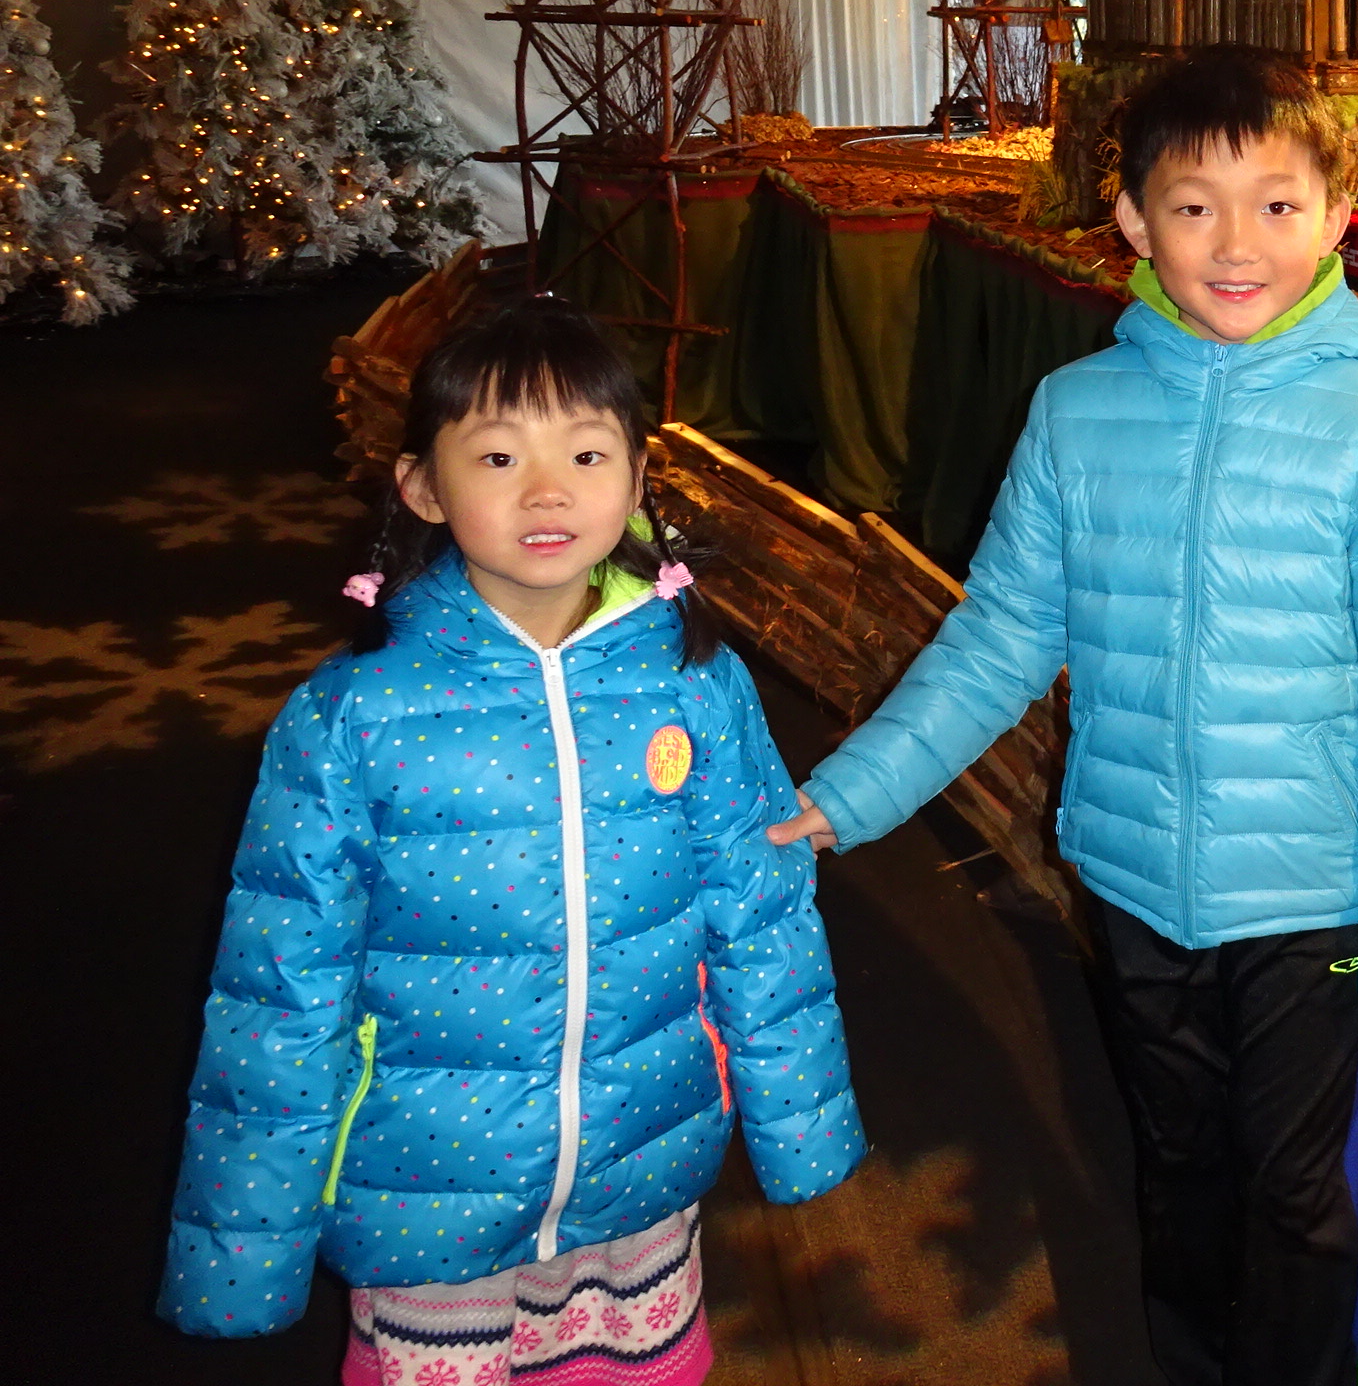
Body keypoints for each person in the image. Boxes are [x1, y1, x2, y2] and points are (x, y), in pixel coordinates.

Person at [769, 51, 1358, 1386]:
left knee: (1300, 1199)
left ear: (1338, 219)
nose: (1236, 244)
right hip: (1139, 888)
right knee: (1179, 1167)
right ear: (1135, 222)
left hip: (1313, 909)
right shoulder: (1075, 414)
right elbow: (996, 640)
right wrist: (849, 794)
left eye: (1277, 205)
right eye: (1194, 206)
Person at [160, 295, 863, 1383]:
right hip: (425, 1194)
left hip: (641, 1169)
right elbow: (279, 989)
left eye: (586, 453)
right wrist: (243, 1253)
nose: (547, 490)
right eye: (497, 457)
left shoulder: (695, 684)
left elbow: (762, 914)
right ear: (421, 487)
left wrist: (802, 1126)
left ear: (638, 478)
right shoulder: (356, 716)